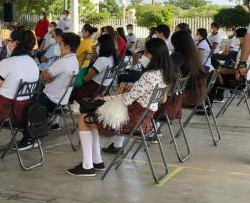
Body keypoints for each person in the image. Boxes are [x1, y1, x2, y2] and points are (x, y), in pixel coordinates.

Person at [67, 38, 174, 176]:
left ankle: (88, 165)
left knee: (84, 118)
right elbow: (158, 97)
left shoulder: (148, 75)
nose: (142, 55)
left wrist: (105, 98)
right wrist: (134, 88)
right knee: (90, 119)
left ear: (153, 55)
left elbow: (127, 99)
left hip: (133, 119)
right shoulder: (164, 73)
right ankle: (97, 161)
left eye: (145, 52)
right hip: (145, 120)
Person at [15, 32, 80, 149]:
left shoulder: (63, 62)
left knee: (24, 103)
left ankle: (30, 138)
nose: (58, 47)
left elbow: (44, 76)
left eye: (60, 44)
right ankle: (37, 130)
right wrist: (49, 78)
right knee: (32, 95)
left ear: (67, 47)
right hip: (61, 100)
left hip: (50, 99)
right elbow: (49, 77)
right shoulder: (74, 61)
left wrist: (47, 78)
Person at [70, 34, 118, 101]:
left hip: (92, 88)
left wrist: (79, 80)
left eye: (98, 44)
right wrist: (95, 56)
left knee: (70, 87)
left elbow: (86, 78)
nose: (95, 46)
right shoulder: (112, 58)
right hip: (103, 87)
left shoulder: (101, 59)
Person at [211, 28, 249, 103]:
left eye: (236, 37)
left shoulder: (245, 52)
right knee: (218, 69)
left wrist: (225, 71)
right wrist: (233, 64)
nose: (236, 39)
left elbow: (242, 71)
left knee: (212, 77)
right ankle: (216, 97)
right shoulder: (243, 50)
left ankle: (210, 102)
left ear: (241, 38)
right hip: (240, 76)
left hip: (239, 80)